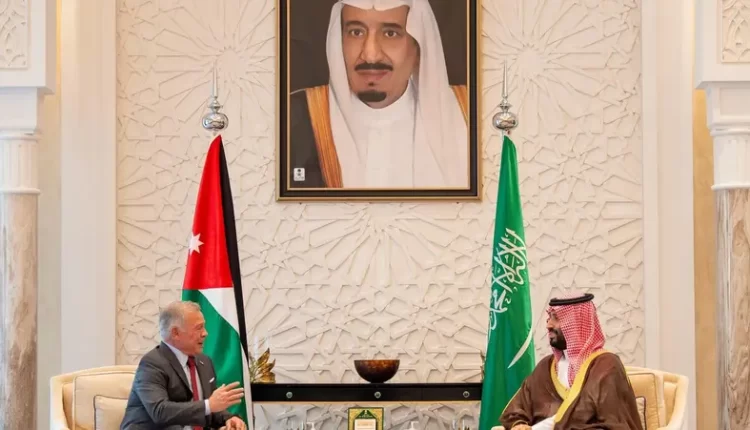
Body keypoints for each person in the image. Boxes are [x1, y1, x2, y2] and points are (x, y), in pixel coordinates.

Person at [288, 0, 469, 189]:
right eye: (356, 32)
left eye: (390, 33)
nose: (370, 54)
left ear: (418, 47)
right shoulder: (293, 118)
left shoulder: (469, 116)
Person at [499, 293, 643, 430]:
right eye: (549, 317)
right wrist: (519, 424)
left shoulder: (606, 365)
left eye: (556, 318)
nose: (548, 325)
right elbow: (518, 408)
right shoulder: (546, 367)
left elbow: (597, 417)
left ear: (577, 323)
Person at [120, 301, 247, 430]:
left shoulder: (204, 361)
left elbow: (208, 408)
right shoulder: (152, 363)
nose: (205, 333)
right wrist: (209, 405)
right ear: (175, 333)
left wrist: (228, 418)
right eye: (199, 328)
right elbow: (160, 411)